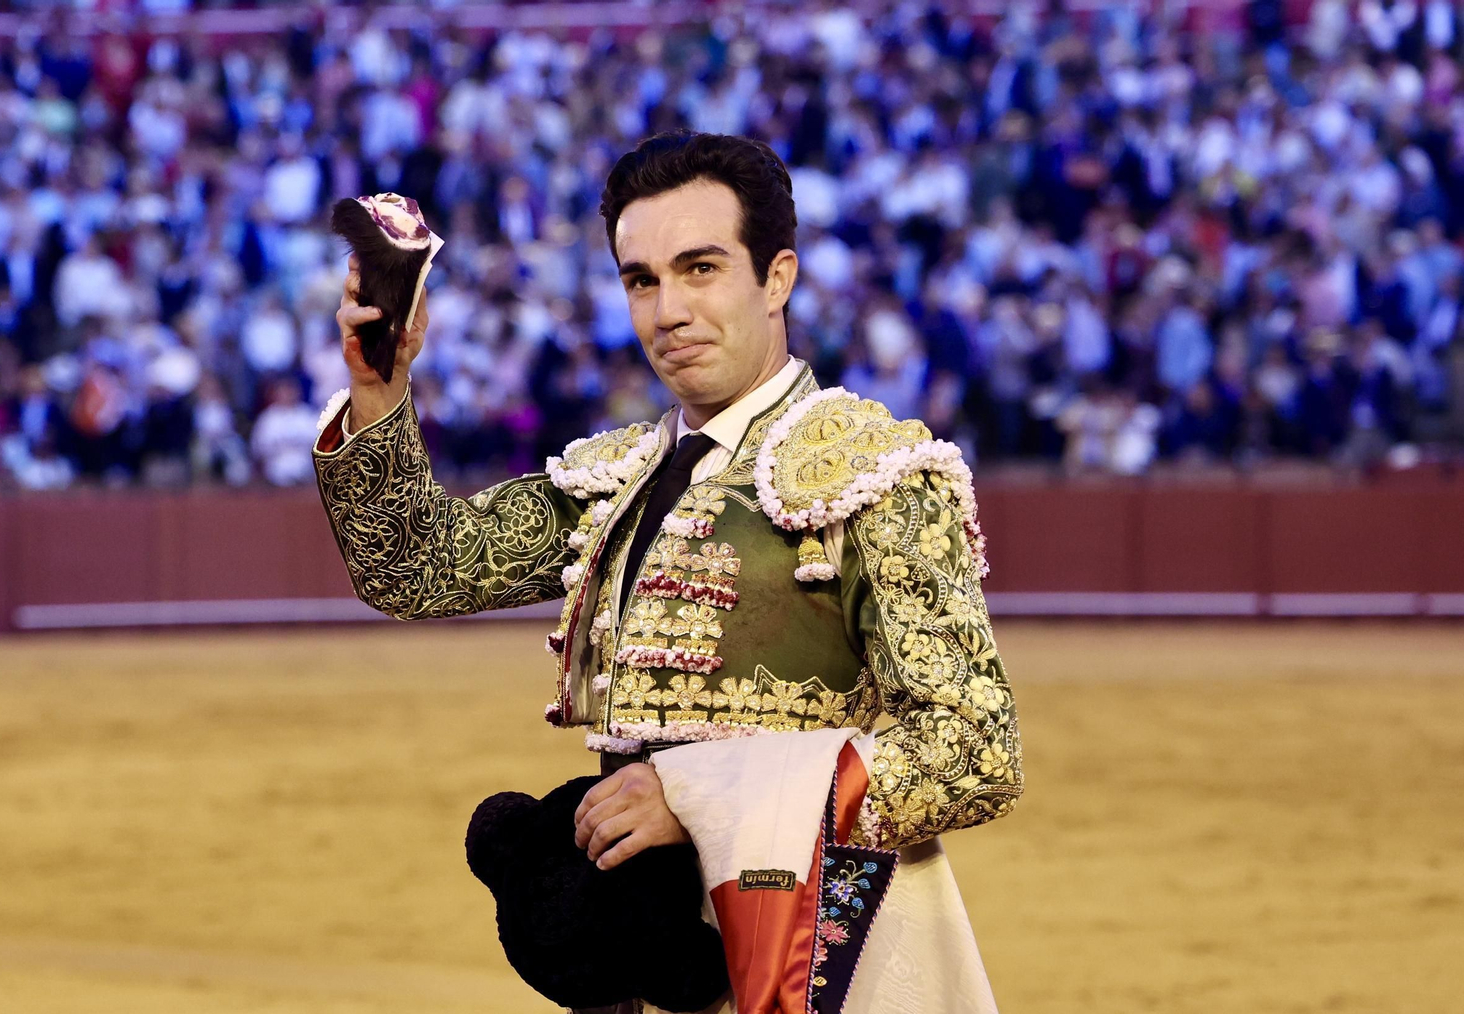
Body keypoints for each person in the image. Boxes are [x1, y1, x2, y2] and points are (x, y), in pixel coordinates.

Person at [311, 131, 1023, 1014]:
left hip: (812, 951)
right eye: (641, 280)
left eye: (700, 268)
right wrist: (381, 387)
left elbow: (976, 751)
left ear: (777, 279)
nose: (667, 311)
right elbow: (417, 570)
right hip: (635, 958)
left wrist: (697, 796)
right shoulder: (616, 478)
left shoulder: (871, 473)